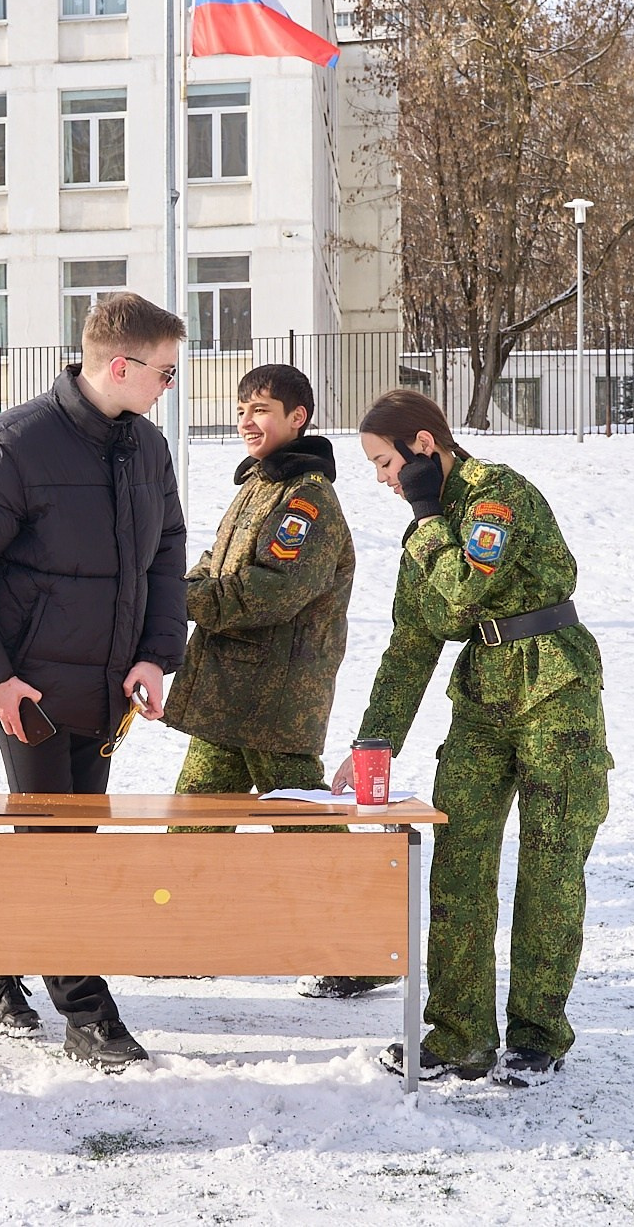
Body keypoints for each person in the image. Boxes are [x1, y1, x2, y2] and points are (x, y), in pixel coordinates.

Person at [0, 290, 187, 1071]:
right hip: (29, 696)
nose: (170, 385)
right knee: (57, 847)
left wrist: (153, 653)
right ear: (118, 364)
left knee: (70, 839)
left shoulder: (146, 446)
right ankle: (87, 1011)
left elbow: (165, 552)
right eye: (164, 372)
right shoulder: (15, 443)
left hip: (106, 689)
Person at [335, 389, 611, 1088]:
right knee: (457, 860)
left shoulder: (496, 496)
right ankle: (459, 1037)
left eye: (385, 460)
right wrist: (375, 740)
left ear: (425, 444)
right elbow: (412, 641)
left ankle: (537, 1036)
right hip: (483, 695)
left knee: (551, 865)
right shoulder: (421, 532)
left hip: (555, 688)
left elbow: (462, 589)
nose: (381, 478)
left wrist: (428, 517)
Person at [161, 364, 393, 1001]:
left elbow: (271, 592)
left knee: (305, 828)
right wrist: (180, 589)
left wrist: (179, 600)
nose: (247, 421)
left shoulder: (306, 498)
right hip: (230, 695)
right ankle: (188, 940)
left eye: (262, 409)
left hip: (274, 698)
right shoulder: (259, 488)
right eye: (243, 409)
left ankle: (369, 948)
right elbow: (216, 566)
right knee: (195, 818)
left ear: (300, 418)